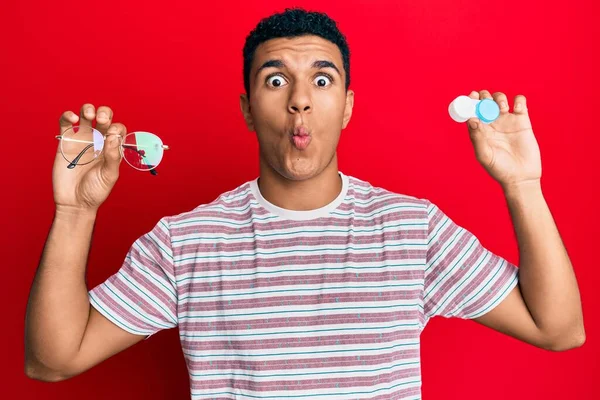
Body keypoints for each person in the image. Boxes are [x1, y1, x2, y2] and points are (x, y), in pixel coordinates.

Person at [25, 8, 585, 400]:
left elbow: (559, 329)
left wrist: (522, 185)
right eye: (276, 80)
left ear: (345, 107)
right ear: (247, 109)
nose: (299, 101)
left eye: (322, 80)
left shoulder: (412, 229)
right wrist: (76, 212)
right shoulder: (186, 242)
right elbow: (51, 361)